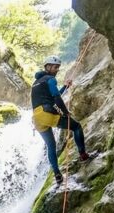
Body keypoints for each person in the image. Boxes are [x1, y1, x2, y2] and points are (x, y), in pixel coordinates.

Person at [31, 55, 90, 184]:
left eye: (58, 67)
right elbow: (56, 98)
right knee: (76, 127)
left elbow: (52, 95)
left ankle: (57, 174)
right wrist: (65, 112)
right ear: (48, 67)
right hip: (47, 113)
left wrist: (65, 87)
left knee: (51, 145)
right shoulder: (51, 79)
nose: (57, 69)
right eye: (55, 67)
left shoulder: (36, 83)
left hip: (36, 118)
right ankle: (83, 155)